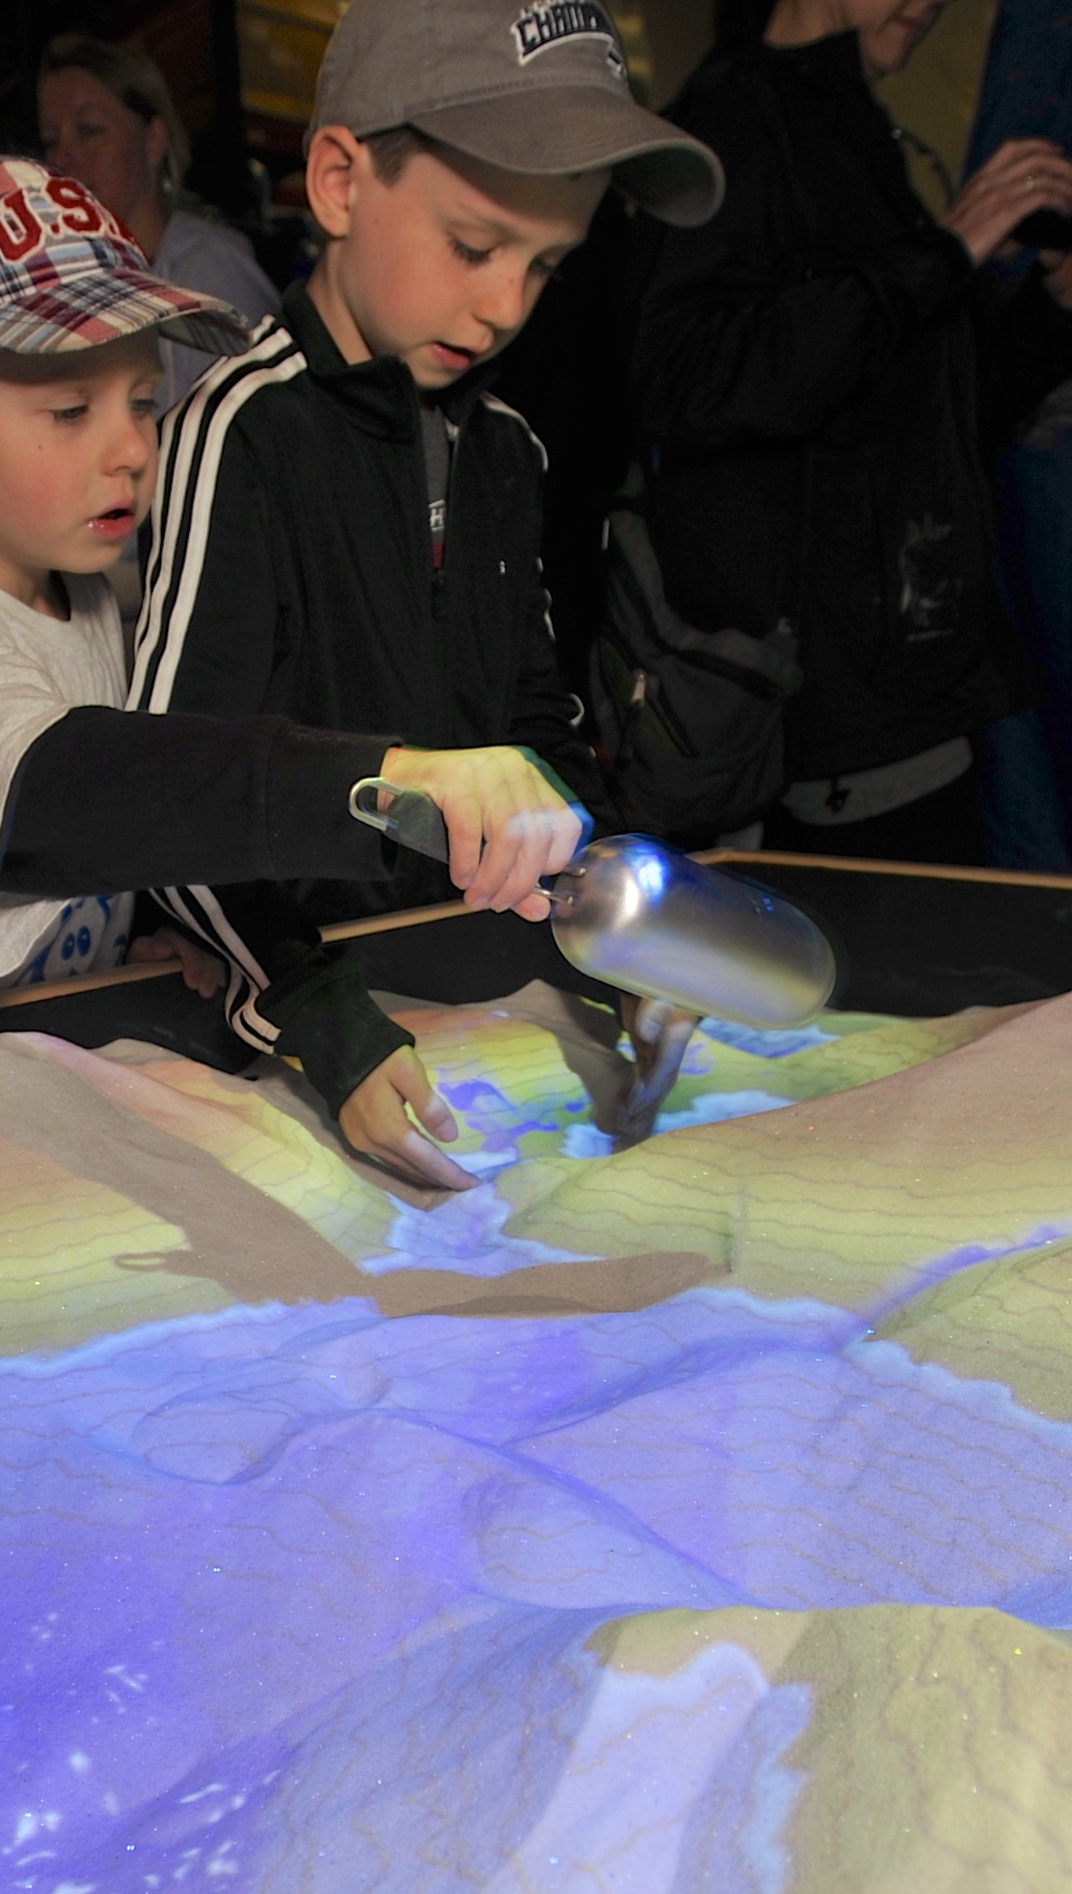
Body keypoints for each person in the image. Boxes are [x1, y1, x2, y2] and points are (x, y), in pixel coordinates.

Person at [0, 151, 584, 1090]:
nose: (129, 449)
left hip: (2, 1086)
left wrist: (134, 932)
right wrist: (382, 780)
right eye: (71, 410)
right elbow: (70, 792)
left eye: (144, 401)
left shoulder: (73, 588)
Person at [131, 0, 724, 1188]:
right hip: (296, 1040)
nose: (506, 305)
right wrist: (318, 1016)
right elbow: (167, 795)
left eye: (545, 265)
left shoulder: (510, 449)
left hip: (471, 1012)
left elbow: (537, 735)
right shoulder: (237, 433)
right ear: (341, 181)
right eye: (472, 245)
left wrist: (624, 949)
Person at [621, 0, 1072, 864]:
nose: (927, 4)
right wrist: (942, 252)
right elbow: (690, 377)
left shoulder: (853, 129)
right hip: (816, 722)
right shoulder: (732, 116)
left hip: (909, 693)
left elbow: (922, 417)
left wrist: (1061, 309)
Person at [37, 33, 281, 413]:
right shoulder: (73, 287)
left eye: (89, 131)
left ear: (153, 140)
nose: (63, 158)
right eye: (51, 140)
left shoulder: (208, 270)